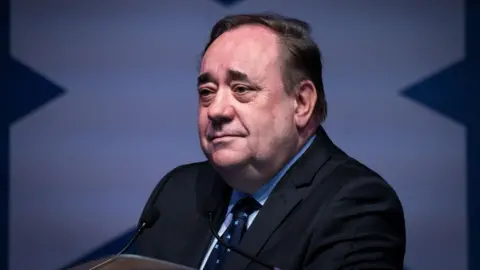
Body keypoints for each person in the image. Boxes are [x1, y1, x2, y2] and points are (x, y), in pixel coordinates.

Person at [135, 13, 406, 270]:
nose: (216, 110)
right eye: (206, 92)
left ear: (301, 103)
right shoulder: (178, 192)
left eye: (241, 89)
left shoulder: (356, 205)